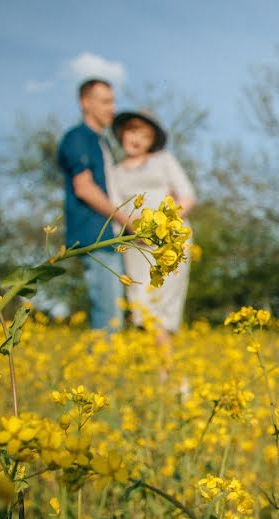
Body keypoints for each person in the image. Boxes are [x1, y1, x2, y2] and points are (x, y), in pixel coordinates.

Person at [110, 109, 197, 352]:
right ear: (122, 133)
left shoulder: (164, 161)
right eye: (133, 131)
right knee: (141, 304)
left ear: (153, 141)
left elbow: (188, 196)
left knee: (165, 304)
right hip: (137, 243)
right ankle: (167, 371)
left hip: (170, 240)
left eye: (145, 136)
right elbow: (115, 208)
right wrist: (135, 226)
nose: (137, 140)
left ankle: (166, 372)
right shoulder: (114, 172)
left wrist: (164, 224)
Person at [57, 79, 131, 331]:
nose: (112, 108)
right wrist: (128, 221)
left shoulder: (104, 142)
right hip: (94, 236)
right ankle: (103, 370)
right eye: (105, 102)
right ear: (84, 103)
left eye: (113, 101)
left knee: (113, 312)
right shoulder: (78, 137)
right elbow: (84, 187)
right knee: (109, 314)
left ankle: (104, 368)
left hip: (108, 237)